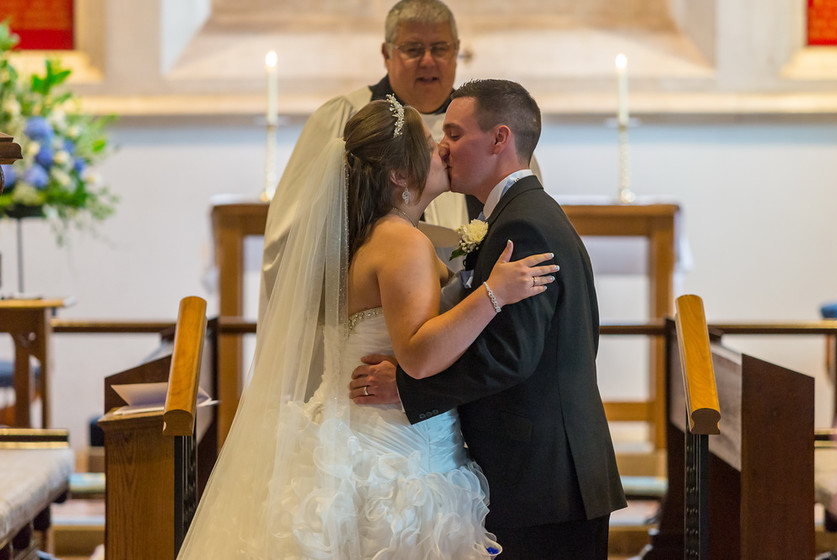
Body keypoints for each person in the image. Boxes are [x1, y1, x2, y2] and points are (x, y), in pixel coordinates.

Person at [177, 96, 557, 559]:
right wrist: (493, 292)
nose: (441, 149)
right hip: (396, 453)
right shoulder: (403, 243)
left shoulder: (366, 239)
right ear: (399, 175)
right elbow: (417, 356)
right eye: (430, 142)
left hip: (347, 438)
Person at [349, 80, 627, 559]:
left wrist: (408, 388)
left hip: (544, 479)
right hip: (541, 476)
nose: (443, 147)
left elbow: (511, 355)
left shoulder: (524, 223)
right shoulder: (514, 216)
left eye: (455, 134)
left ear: (500, 139)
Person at [260, 0, 466, 322]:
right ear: (386, 53)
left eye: (440, 48)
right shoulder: (342, 118)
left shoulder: (487, 126)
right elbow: (289, 239)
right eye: (413, 49)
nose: (428, 61)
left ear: (457, 50)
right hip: (368, 321)